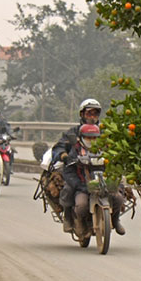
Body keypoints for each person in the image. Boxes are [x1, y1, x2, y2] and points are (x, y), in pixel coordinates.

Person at [62, 124, 126, 237]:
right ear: (81, 137)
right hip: (82, 186)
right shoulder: (75, 150)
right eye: (88, 137)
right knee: (81, 205)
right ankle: (81, 223)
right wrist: (78, 185)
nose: (92, 140)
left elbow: (116, 166)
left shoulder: (106, 148)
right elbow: (68, 171)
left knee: (119, 199)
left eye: (94, 137)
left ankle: (115, 220)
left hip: (105, 184)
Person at [54, 98, 102, 232]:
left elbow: (115, 146)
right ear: (82, 114)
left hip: (100, 169)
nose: (92, 117)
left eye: (95, 114)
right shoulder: (72, 132)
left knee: (117, 190)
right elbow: (58, 148)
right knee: (69, 189)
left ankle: (115, 218)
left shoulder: (104, 131)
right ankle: (68, 216)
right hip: (76, 168)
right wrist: (64, 155)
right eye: (89, 113)